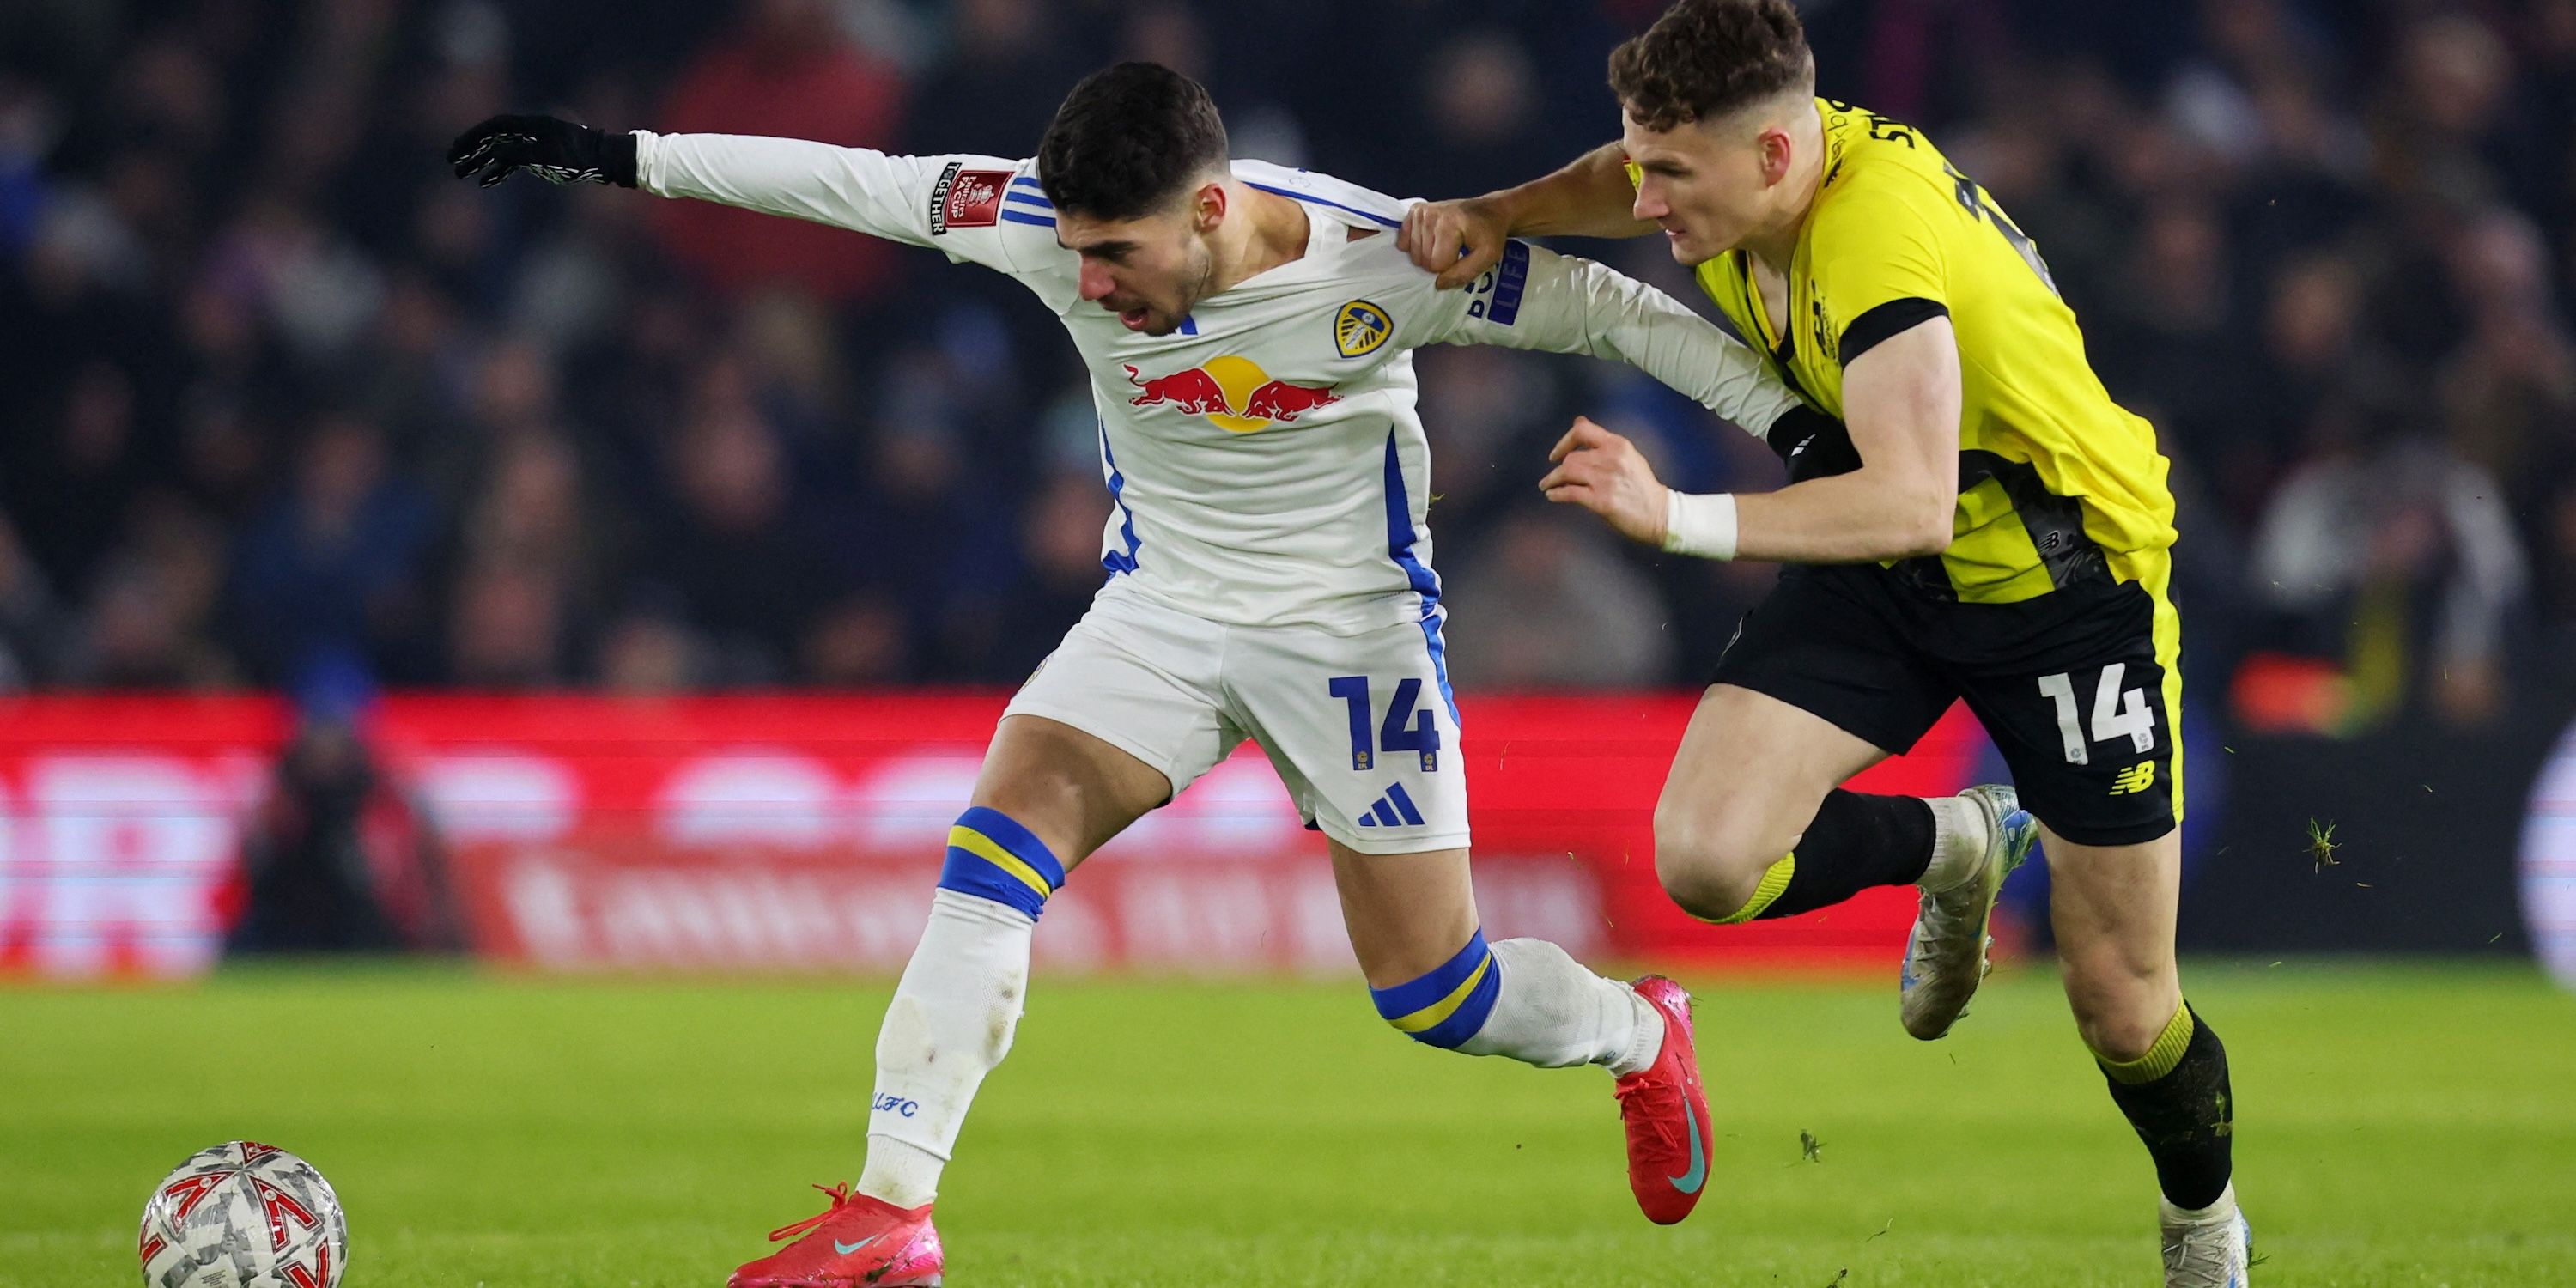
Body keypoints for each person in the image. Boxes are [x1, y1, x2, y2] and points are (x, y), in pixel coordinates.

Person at [451, 59, 1823, 1287]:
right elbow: (848, 184)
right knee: (995, 849)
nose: (1092, 284)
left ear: (1215, 211)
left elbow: (1607, 313)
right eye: (1082, 252)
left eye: (1120, 254)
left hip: (1349, 634)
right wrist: (613, 153)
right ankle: (892, 1218)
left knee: (1437, 995)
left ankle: (1641, 1038)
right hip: (1161, 607)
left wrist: (1790, 427)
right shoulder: (1045, 222)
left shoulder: (1383, 254)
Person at [1401, 3, 2245, 1284]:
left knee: (2122, 1007)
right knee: (1706, 859)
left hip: (2064, 590)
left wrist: (1671, 512)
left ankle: (2203, 1228)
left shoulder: (1874, 237)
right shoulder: (1747, 175)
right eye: (1647, 163)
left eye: (1674, 176)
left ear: (1777, 159)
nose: (1653, 204)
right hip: (1897, 570)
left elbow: (1908, 492)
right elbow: (1623, 182)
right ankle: (1959, 838)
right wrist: (1502, 209)